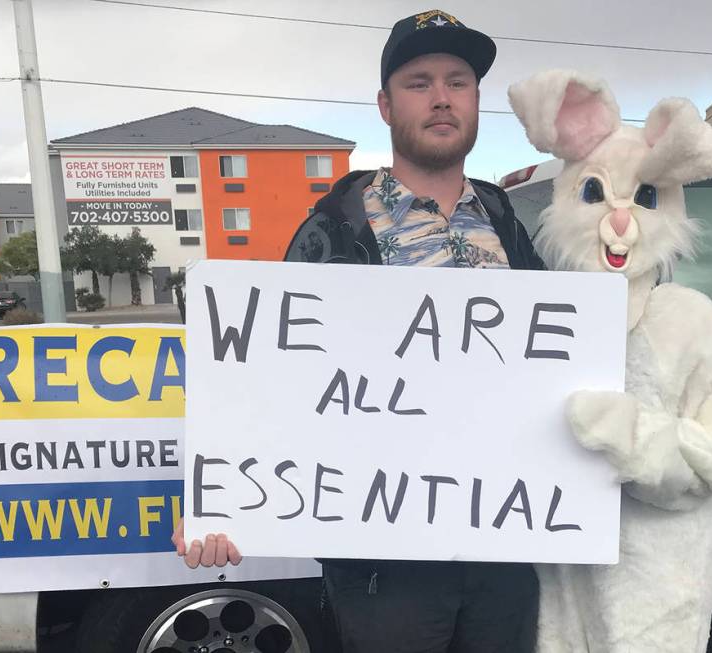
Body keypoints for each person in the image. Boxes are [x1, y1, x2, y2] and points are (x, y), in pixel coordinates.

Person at [173, 9, 545, 653]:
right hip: (385, 561)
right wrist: (220, 496)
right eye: (418, 81)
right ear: (384, 104)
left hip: (502, 547)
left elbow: (556, 363)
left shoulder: (506, 219)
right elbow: (269, 372)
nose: (440, 98)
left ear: (477, 101)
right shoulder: (335, 227)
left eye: (458, 81)